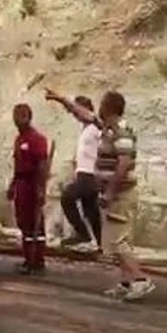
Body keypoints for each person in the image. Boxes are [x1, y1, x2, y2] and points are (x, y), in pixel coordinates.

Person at [46, 88, 156, 301]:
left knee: (120, 241)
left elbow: (123, 164)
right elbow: (83, 113)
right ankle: (126, 283)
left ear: (110, 107)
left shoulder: (121, 133)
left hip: (119, 196)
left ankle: (141, 280)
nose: (100, 107)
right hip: (109, 194)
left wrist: (110, 192)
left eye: (103, 103)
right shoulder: (107, 128)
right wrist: (61, 99)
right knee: (112, 241)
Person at [8, 103, 51, 274]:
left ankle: (37, 260)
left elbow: (42, 165)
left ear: (29, 117)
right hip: (21, 183)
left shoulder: (37, 139)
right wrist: (12, 185)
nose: (18, 119)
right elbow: (17, 165)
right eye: (16, 115)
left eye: (22, 115)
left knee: (36, 223)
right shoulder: (19, 139)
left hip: (33, 182)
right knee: (23, 222)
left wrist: (40, 188)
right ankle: (27, 258)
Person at [58, 96, 103, 249]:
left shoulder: (96, 126)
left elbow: (83, 113)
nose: (75, 115)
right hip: (83, 173)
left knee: (67, 197)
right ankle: (101, 244)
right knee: (91, 211)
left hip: (89, 175)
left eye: (77, 111)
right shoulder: (85, 129)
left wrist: (59, 98)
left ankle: (82, 233)